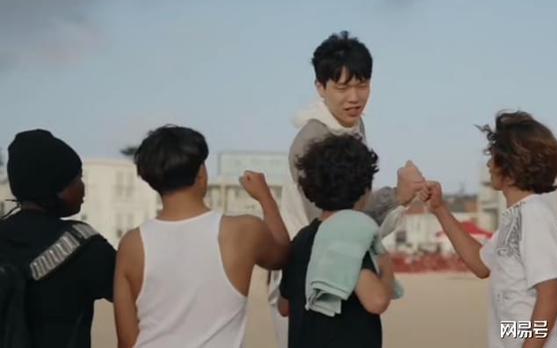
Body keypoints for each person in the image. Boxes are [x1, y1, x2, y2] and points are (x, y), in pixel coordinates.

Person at [269, 31, 424, 346]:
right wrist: (397, 197)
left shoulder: (352, 124)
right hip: (312, 270)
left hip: (334, 264)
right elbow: (338, 222)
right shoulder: (312, 141)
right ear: (320, 87)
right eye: (342, 88)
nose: (354, 98)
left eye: (362, 85)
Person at [113, 125, 290, 348]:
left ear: (151, 180)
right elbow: (283, 253)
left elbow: (127, 340)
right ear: (201, 173)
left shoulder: (132, 244)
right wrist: (265, 198)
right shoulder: (242, 231)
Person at [425, 111, 557, 348]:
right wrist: (439, 208)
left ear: (511, 166)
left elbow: (551, 295)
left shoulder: (534, 216)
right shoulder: (516, 217)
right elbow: (480, 264)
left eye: (494, 157)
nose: (489, 165)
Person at [0, 129, 116, 348]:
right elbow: (137, 294)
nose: (83, 186)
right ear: (56, 187)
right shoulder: (83, 245)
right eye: (77, 178)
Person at [279, 134, 396, 348]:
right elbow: (376, 300)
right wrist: (387, 268)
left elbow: (284, 306)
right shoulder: (350, 234)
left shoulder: (302, 239)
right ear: (365, 189)